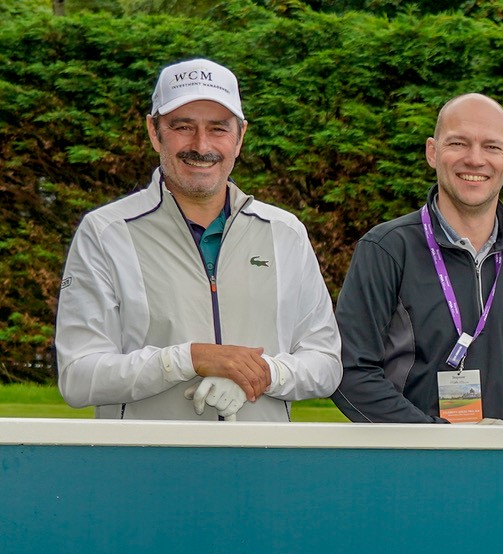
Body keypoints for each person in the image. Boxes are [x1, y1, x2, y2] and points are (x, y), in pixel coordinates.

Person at [56, 58, 341, 420]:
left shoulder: (284, 231)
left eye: (218, 129)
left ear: (240, 137)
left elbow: (326, 363)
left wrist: (261, 374)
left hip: (263, 466)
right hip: (144, 465)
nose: (201, 145)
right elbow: (79, 376)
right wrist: (187, 358)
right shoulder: (105, 232)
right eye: (183, 126)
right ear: (153, 131)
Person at [332, 93, 503, 425]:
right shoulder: (386, 248)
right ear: (432, 152)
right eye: (458, 143)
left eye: (491, 147)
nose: (475, 159)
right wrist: (437, 438)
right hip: (412, 464)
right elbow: (350, 372)